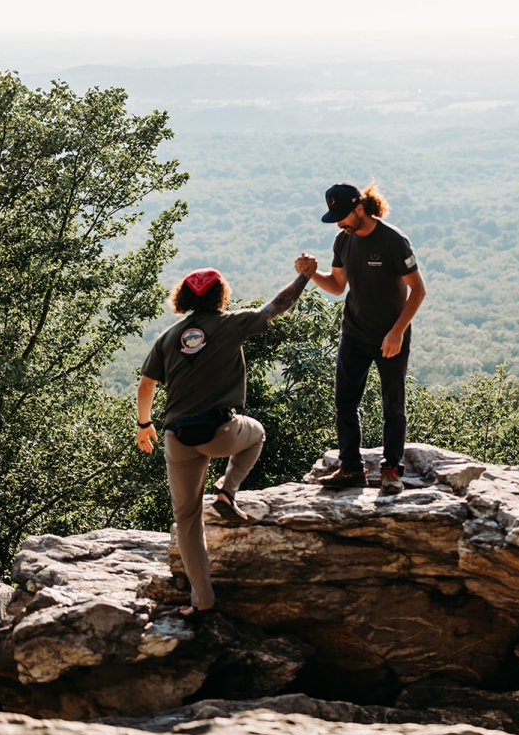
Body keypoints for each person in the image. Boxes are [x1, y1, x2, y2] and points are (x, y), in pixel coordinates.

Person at [136, 264, 313, 619]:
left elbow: (145, 385)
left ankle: (201, 600)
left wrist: (144, 425)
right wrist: (305, 275)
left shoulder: (169, 337)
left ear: (184, 298)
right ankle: (226, 492)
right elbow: (277, 305)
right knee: (257, 433)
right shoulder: (231, 323)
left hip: (177, 437)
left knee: (187, 519)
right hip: (220, 433)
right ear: (220, 295)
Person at [295, 181, 426, 494]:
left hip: (390, 336)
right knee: (345, 403)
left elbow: (418, 290)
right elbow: (338, 285)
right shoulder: (343, 241)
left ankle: (391, 470)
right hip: (354, 333)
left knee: (393, 405)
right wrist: (310, 273)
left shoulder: (393, 241)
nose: (339, 223)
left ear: (359, 209)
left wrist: (397, 331)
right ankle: (351, 467)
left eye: (342, 216)